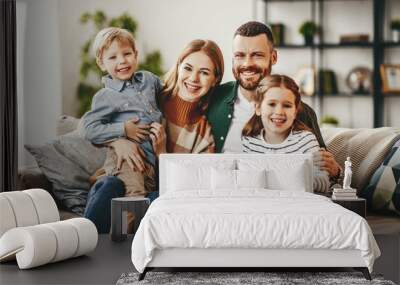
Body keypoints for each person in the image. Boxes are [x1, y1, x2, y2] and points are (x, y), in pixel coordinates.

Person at [83, 38, 225, 233]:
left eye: (204, 72)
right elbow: (93, 128)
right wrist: (118, 141)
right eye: (188, 68)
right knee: (109, 185)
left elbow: (188, 190)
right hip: (119, 178)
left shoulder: (203, 136)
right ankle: (82, 236)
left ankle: (128, 241)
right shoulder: (150, 96)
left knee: (158, 199)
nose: (193, 78)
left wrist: (161, 153)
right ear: (178, 67)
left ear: (215, 79)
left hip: (155, 190)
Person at [206, 21, 342, 180]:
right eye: (240, 55)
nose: (247, 63)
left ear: (274, 57)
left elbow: (324, 170)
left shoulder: (299, 111)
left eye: (257, 55)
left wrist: (337, 172)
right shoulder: (213, 98)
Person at [79, 27, 163, 232]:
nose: (122, 61)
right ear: (101, 63)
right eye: (113, 57)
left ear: (136, 55)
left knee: (155, 197)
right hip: (126, 160)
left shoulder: (149, 80)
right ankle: (122, 242)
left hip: (150, 160)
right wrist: (123, 130)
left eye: (127, 54)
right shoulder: (106, 96)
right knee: (135, 198)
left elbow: (170, 93)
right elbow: (87, 128)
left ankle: (109, 209)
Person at [241, 74, 330, 192]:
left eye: (287, 106)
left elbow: (324, 183)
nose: (279, 112)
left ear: (295, 112)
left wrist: (289, 181)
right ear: (258, 108)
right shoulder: (249, 142)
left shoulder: (306, 140)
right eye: (272, 104)